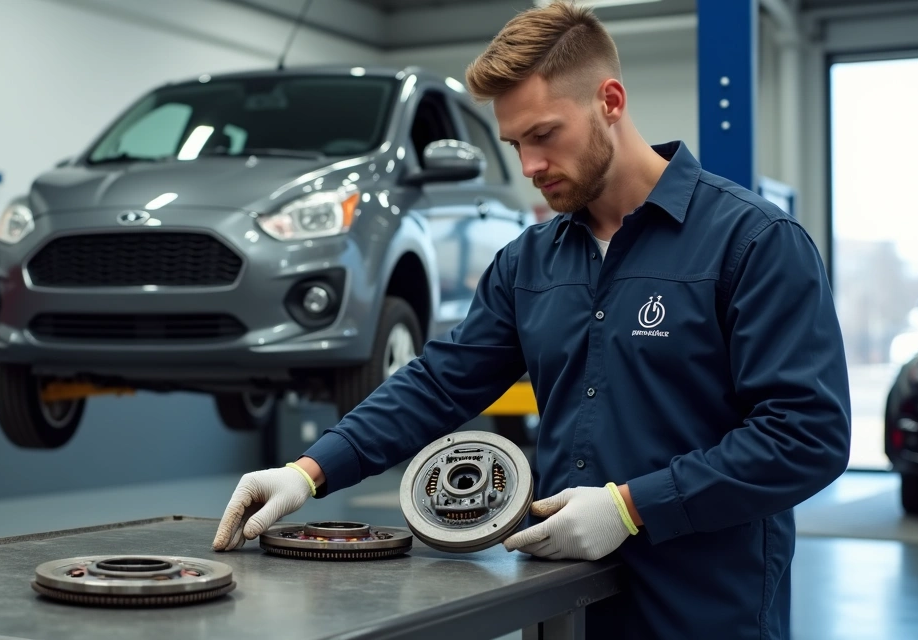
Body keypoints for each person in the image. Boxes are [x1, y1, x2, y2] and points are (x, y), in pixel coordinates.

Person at [211, 1, 852, 638]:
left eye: (545, 134)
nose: (529, 167)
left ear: (610, 100)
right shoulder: (529, 261)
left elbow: (806, 436)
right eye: (516, 144)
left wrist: (631, 507)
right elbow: (440, 381)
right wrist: (309, 471)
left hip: (706, 611)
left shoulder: (754, 243)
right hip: (562, 606)